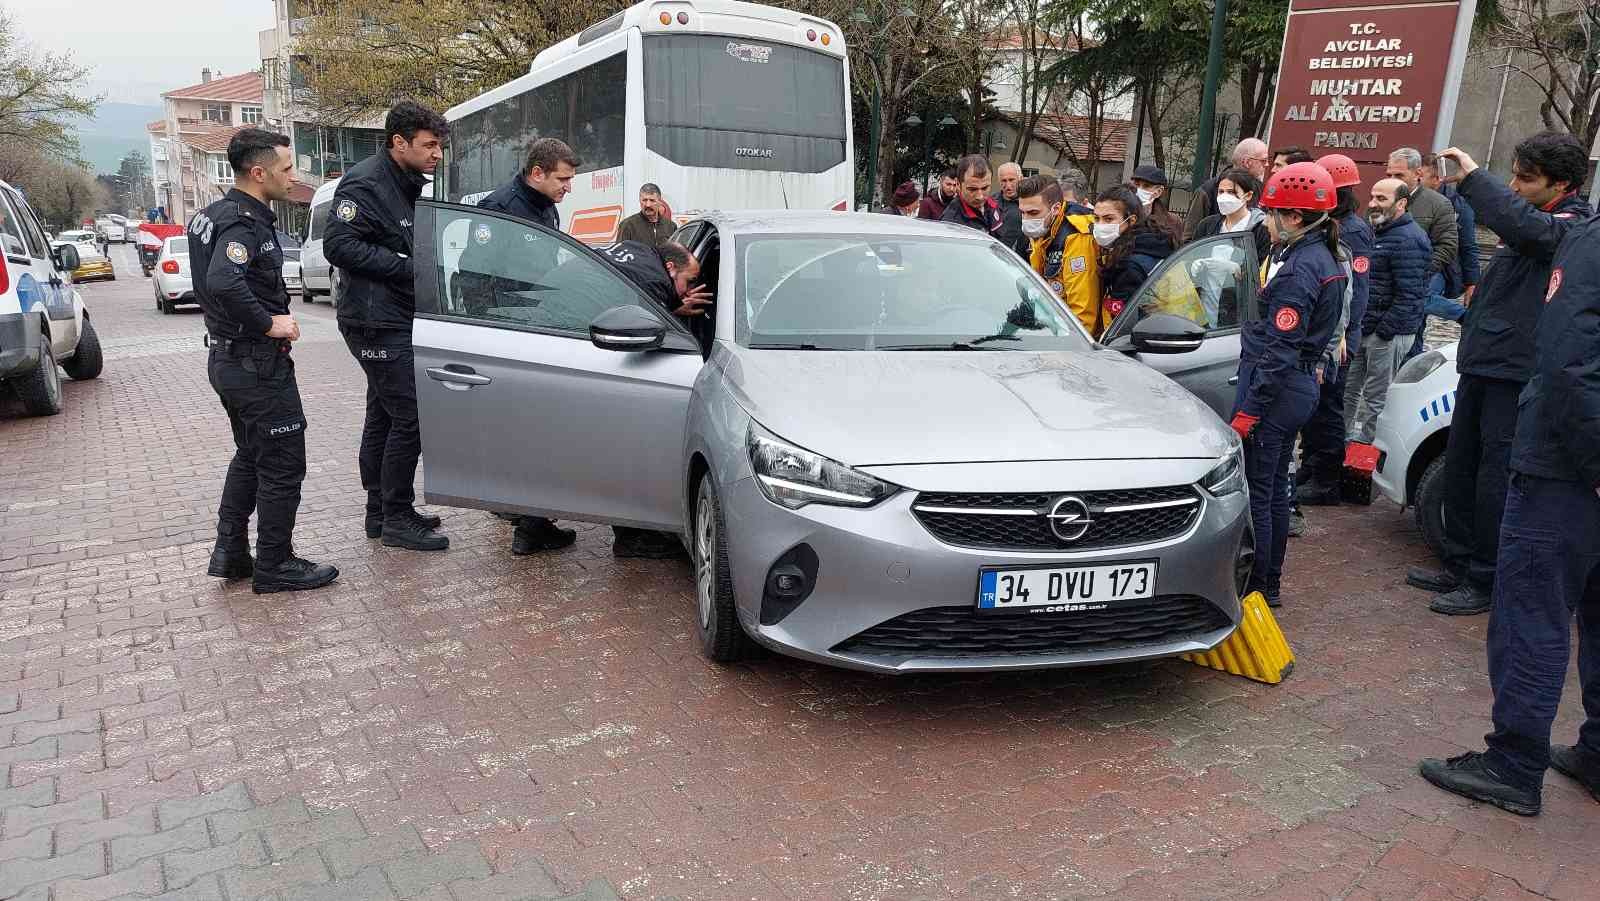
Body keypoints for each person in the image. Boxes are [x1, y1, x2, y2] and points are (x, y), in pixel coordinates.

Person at [1416, 209, 1600, 819]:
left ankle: (1514, 764)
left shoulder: (1589, 244)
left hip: (1565, 472)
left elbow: (1569, 361)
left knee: (1532, 617)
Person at [1405, 136, 1593, 616]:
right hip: (1483, 364)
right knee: (1463, 469)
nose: (1513, 186)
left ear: (1562, 184)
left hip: (1515, 375)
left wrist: (1472, 179)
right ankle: (1460, 563)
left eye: (1525, 179)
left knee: (1494, 480)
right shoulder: (1535, 221)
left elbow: (1521, 224)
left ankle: (1486, 578)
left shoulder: (1569, 228)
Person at [190, 128, 337, 594]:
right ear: (258, 173)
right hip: (255, 364)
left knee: (252, 456)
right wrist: (269, 322)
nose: (293, 178)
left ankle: (231, 552)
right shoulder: (243, 223)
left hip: (229, 360)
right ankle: (275, 564)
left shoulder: (212, 216)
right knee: (282, 463)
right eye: (287, 169)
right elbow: (223, 281)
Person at [324, 101, 450, 552]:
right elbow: (339, 245)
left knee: (384, 414)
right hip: (374, 319)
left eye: (439, 145)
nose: (437, 153)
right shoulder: (365, 183)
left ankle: (381, 512)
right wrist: (406, 267)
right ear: (399, 143)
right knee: (410, 417)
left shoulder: (406, 182)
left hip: (395, 315)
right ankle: (394, 517)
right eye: (429, 145)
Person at [1229, 162, 1346, 608]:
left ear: (1295, 217)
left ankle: (1259, 584)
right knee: (1275, 486)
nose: (1267, 221)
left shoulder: (1300, 269)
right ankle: (1269, 582)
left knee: (1261, 488)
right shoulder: (1316, 256)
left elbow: (1280, 349)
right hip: (1295, 386)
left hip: (1277, 390)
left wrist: (1250, 411)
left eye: (1272, 212)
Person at [470, 138, 584, 556]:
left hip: (538, 328)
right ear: (537, 173)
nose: (568, 187)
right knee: (527, 426)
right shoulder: (500, 210)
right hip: (511, 333)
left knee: (533, 424)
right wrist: (491, 334)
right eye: (563, 179)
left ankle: (529, 517)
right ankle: (529, 525)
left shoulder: (545, 208)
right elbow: (474, 277)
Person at [594, 240, 713, 558]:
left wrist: (675, 304)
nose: (687, 291)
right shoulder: (654, 282)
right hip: (594, 358)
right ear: (670, 268)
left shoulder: (641, 251)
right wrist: (676, 312)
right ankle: (633, 536)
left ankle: (531, 525)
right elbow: (644, 331)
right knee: (629, 449)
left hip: (548, 329)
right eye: (687, 283)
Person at [1297, 153, 1374, 506]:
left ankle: (1327, 479)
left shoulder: (1353, 231)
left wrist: (1343, 334)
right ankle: (1312, 467)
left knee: (1328, 407)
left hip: (1340, 334)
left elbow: (1355, 290)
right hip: (1331, 330)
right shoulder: (1335, 223)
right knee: (1315, 406)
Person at [1344, 178, 1430, 445]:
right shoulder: (1377, 231)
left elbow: (1412, 294)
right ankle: (1339, 445)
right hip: (1365, 328)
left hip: (1386, 334)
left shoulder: (1410, 239)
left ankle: (1365, 454)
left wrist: (1384, 331)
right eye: (1372, 197)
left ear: (1401, 203)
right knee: (1347, 391)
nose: (1372, 204)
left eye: (1381, 199)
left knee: (1376, 398)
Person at [1403, 153, 1479, 359]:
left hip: (1442, 268)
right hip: (1409, 264)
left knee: (1419, 298)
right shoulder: (1407, 197)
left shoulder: (1458, 205)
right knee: (1415, 315)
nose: (1416, 180)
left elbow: (1468, 246)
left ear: (1437, 179)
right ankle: (1411, 357)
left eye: (1422, 176)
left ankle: (1464, 317)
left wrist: (1472, 283)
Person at [1386, 147, 1459, 355]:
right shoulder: (1382, 198)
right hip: (1383, 284)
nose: (1393, 180)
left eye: (1399, 175)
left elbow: (1447, 245)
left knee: (1410, 339)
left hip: (1415, 284)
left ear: (1417, 174)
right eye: (1389, 174)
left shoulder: (1438, 204)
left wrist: (1419, 273)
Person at [1017, 172, 1100, 334]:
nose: (1026, 220)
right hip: (1051, 324)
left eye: (1033, 213)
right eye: (1022, 212)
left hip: (1073, 337)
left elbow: (1082, 313)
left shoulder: (1075, 236)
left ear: (1055, 209)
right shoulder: (1044, 229)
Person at [1094, 185, 1172, 328]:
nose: (1100, 225)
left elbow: (1123, 319)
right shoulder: (1154, 243)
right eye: (1096, 218)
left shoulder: (1129, 264)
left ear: (1131, 220)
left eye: (1108, 219)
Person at [1185, 138, 1270, 240]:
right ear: (1247, 162)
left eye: (1231, 192)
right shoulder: (1207, 191)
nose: (1267, 165)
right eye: (1263, 161)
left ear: (1248, 195)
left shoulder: (1262, 190)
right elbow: (1189, 238)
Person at [1187, 168, 1270, 259]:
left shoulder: (1261, 229)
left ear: (1248, 195)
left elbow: (1260, 263)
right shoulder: (1207, 225)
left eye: (1231, 192)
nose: (1224, 197)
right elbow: (1193, 255)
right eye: (1221, 191)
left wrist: (1237, 269)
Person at [939, 155, 1005, 238]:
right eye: (972, 189)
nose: (980, 196)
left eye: (985, 188)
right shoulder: (951, 223)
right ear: (958, 184)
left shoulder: (994, 205)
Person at [1130, 165, 1185, 249]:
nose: (1139, 190)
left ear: (1158, 191)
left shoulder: (1172, 221)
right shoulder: (1122, 216)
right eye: (1136, 185)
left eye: (1146, 186)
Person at [616, 183, 676, 247]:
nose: (648, 205)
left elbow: (675, 253)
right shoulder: (627, 225)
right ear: (639, 200)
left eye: (652, 200)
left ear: (659, 201)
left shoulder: (671, 226)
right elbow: (619, 253)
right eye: (644, 200)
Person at [993, 161, 1029, 257]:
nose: (1008, 186)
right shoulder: (991, 204)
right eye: (1004, 181)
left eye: (1011, 180)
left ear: (1020, 178)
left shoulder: (1031, 202)